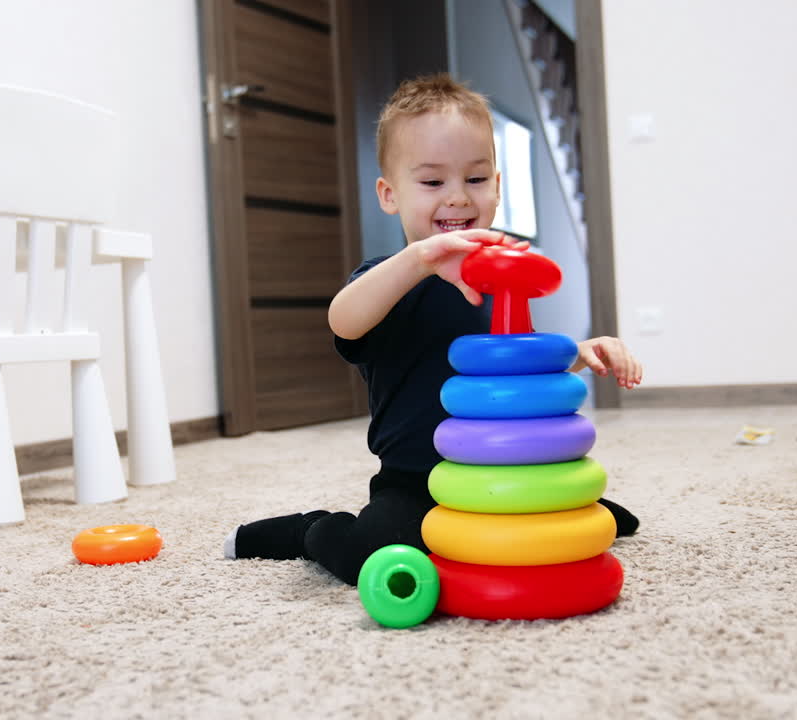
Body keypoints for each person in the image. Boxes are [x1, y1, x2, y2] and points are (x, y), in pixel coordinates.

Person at [224, 73, 643, 586]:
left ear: (497, 185)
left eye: (475, 179)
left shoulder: (501, 283)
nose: (458, 198)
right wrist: (419, 260)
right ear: (389, 194)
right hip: (416, 479)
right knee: (371, 556)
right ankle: (310, 530)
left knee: (594, 527)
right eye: (431, 182)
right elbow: (343, 320)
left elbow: (518, 364)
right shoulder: (389, 279)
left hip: (496, 467)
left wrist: (583, 350)